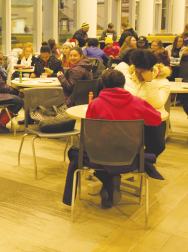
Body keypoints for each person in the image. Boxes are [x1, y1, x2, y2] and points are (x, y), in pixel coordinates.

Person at [62, 69, 163, 207]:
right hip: (131, 156)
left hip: (100, 156)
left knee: (75, 152)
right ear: (124, 83)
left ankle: (108, 179)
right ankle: (111, 179)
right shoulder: (137, 102)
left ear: (103, 84)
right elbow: (157, 120)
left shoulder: (96, 104)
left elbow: (91, 133)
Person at [125, 49, 170, 157]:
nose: (139, 75)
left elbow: (157, 104)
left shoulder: (163, 83)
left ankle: (141, 162)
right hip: (129, 119)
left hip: (151, 119)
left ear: (151, 69)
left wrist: (150, 82)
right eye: (137, 71)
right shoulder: (128, 78)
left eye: (142, 73)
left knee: (158, 146)